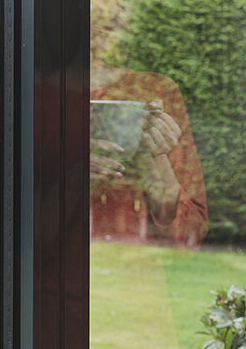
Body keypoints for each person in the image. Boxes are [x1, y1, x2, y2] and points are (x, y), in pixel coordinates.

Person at [89, 64, 208, 249]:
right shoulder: (38, 86)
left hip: (137, 262)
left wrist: (153, 156)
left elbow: (189, 234)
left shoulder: (154, 89)